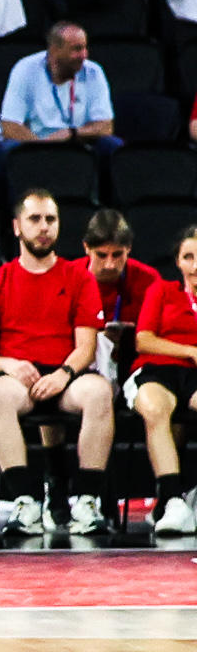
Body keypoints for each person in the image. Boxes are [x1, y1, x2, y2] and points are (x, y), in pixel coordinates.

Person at [0, 189, 113, 536]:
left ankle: (87, 502)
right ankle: (25, 503)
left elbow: (86, 347)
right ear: (17, 227)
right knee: (1, 395)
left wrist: (64, 374)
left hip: (66, 372)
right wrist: (8, 365)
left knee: (99, 392)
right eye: (35, 219)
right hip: (19, 375)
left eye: (51, 219)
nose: (44, 227)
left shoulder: (79, 278)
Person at [131, 225, 197, 537]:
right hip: (159, 370)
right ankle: (172, 501)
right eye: (189, 257)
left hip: (195, 378)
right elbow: (144, 340)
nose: (196, 265)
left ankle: (191, 493)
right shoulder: (162, 291)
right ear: (179, 262)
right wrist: (189, 350)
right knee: (155, 408)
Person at [0, 21, 119, 169]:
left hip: (77, 142)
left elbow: (105, 126)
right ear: (54, 51)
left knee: (112, 146)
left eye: (85, 48)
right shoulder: (25, 70)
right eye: (77, 49)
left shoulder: (93, 71)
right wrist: (45, 149)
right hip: (33, 144)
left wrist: (71, 133)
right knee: (5, 151)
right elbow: (10, 126)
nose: (84, 55)